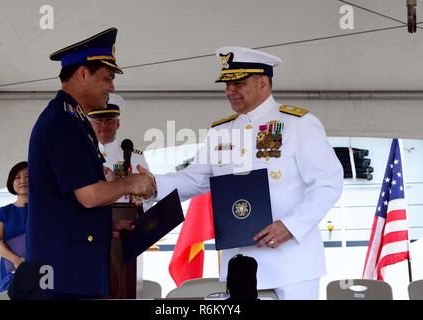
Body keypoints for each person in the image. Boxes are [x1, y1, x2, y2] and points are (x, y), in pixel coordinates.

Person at [139, 47, 344, 300]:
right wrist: (150, 185)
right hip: (238, 265)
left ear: (263, 82)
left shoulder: (299, 124)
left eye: (238, 82)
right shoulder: (220, 131)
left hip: (291, 265)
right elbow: (195, 179)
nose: (230, 90)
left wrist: (290, 226)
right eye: (227, 84)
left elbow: (328, 183)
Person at [26, 28, 156, 299]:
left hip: (70, 266)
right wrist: (131, 182)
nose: (112, 87)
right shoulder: (62, 122)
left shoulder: (74, 120)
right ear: (82, 74)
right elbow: (90, 195)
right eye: (107, 78)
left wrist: (103, 223)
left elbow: (69, 201)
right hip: (63, 273)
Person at [88, 93, 151, 207]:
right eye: (99, 120)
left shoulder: (134, 157)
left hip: (125, 220)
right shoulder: (82, 156)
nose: (104, 125)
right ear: (90, 125)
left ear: (118, 124)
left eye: (109, 120)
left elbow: (147, 196)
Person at [0, 161, 28, 298]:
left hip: (42, 271)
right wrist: (16, 260)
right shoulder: (4, 212)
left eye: (28, 176)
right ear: (11, 182)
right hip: (11, 273)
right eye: (17, 177)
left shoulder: (44, 211)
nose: (23, 180)